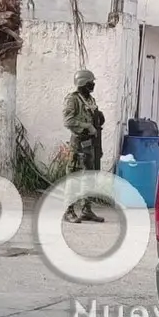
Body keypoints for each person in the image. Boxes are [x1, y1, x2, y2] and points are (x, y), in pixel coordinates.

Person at [62, 69, 105, 223]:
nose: (92, 85)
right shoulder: (73, 99)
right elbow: (68, 121)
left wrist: (99, 118)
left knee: (90, 177)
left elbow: (94, 118)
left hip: (91, 144)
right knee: (74, 178)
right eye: (90, 82)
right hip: (78, 144)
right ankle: (68, 210)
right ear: (83, 83)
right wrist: (87, 126)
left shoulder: (90, 100)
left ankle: (87, 210)